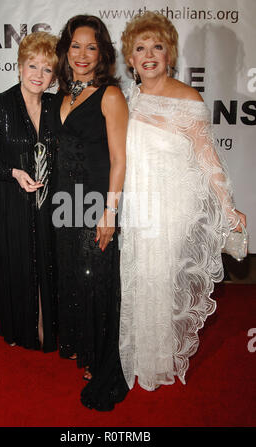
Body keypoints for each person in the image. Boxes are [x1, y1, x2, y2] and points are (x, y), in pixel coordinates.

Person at [119, 12, 247, 392]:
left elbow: (209, 159)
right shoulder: (129, 97)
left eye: (157, 46)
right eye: (140, 48)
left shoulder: (188, 98)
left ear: (170, 54)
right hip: (136, 202)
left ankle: (157, 362)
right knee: (138, 276)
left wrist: (228, 207)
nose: (149, 54)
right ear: (129, 59)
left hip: (172, 204)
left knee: (160, 276)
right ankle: (138, 352)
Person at [49, 15, 129, 410]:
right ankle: (87, 350)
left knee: (98, 283)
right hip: (65, 203)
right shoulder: (63, 95)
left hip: (95, 203)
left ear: (103, 54)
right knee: (78, 281)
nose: (82, 55)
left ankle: (104, 363)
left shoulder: (110, 95)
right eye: (75, 46)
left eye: (91, 47)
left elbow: (118, 160)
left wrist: (110, 212)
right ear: (65, 50)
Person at [0, 32, 58, 352]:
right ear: (19, 67)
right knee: (18, 263)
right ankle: (20, 327)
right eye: (32, 66)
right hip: (12, 203)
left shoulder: (56, 106)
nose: (38, 75)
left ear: (54, 75)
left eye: (46, 69)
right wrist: (13, 172)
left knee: (49, 263)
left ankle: (49, 324)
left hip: (49, 205)